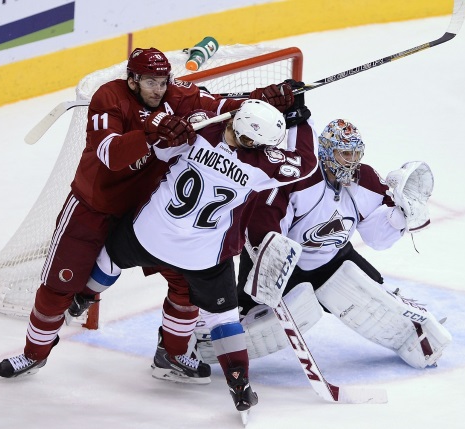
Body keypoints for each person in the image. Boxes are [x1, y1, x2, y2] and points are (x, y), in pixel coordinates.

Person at [0, 47, 295, 381]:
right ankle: (33, 354)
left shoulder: (179, 95)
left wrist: (261, 101)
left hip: (146, 214)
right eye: (150, 81)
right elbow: (109, 154)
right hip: (94, 208)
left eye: (163, 81)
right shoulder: (109, 97)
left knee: (185, 288)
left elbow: (222, 108)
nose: (158, 89)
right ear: (133, 80)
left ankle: (171, 356)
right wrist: (152, 135)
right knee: (58, 288)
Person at [86, 99, 318, 415]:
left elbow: (163, 144)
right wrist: (299, 122)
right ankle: (240, 385)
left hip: (150, 234)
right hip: (202, 256)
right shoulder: (261, 164)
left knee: (111, 255)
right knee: (223, 318)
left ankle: (83, 296)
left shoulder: (198, 128)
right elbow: (305, 163)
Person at [196, 114, 452, 370]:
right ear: (327, 152)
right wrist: (272, 261)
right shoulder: (300, 178)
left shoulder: (366, 179)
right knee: (250, 316)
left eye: (355, 154)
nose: (352, 161)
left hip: (333, 259)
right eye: (345, 154)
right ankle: (203, 339)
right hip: (283, 263)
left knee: (375, 294)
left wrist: (400, 217)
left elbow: (377, 238)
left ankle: (413, 338)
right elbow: (263, 226)